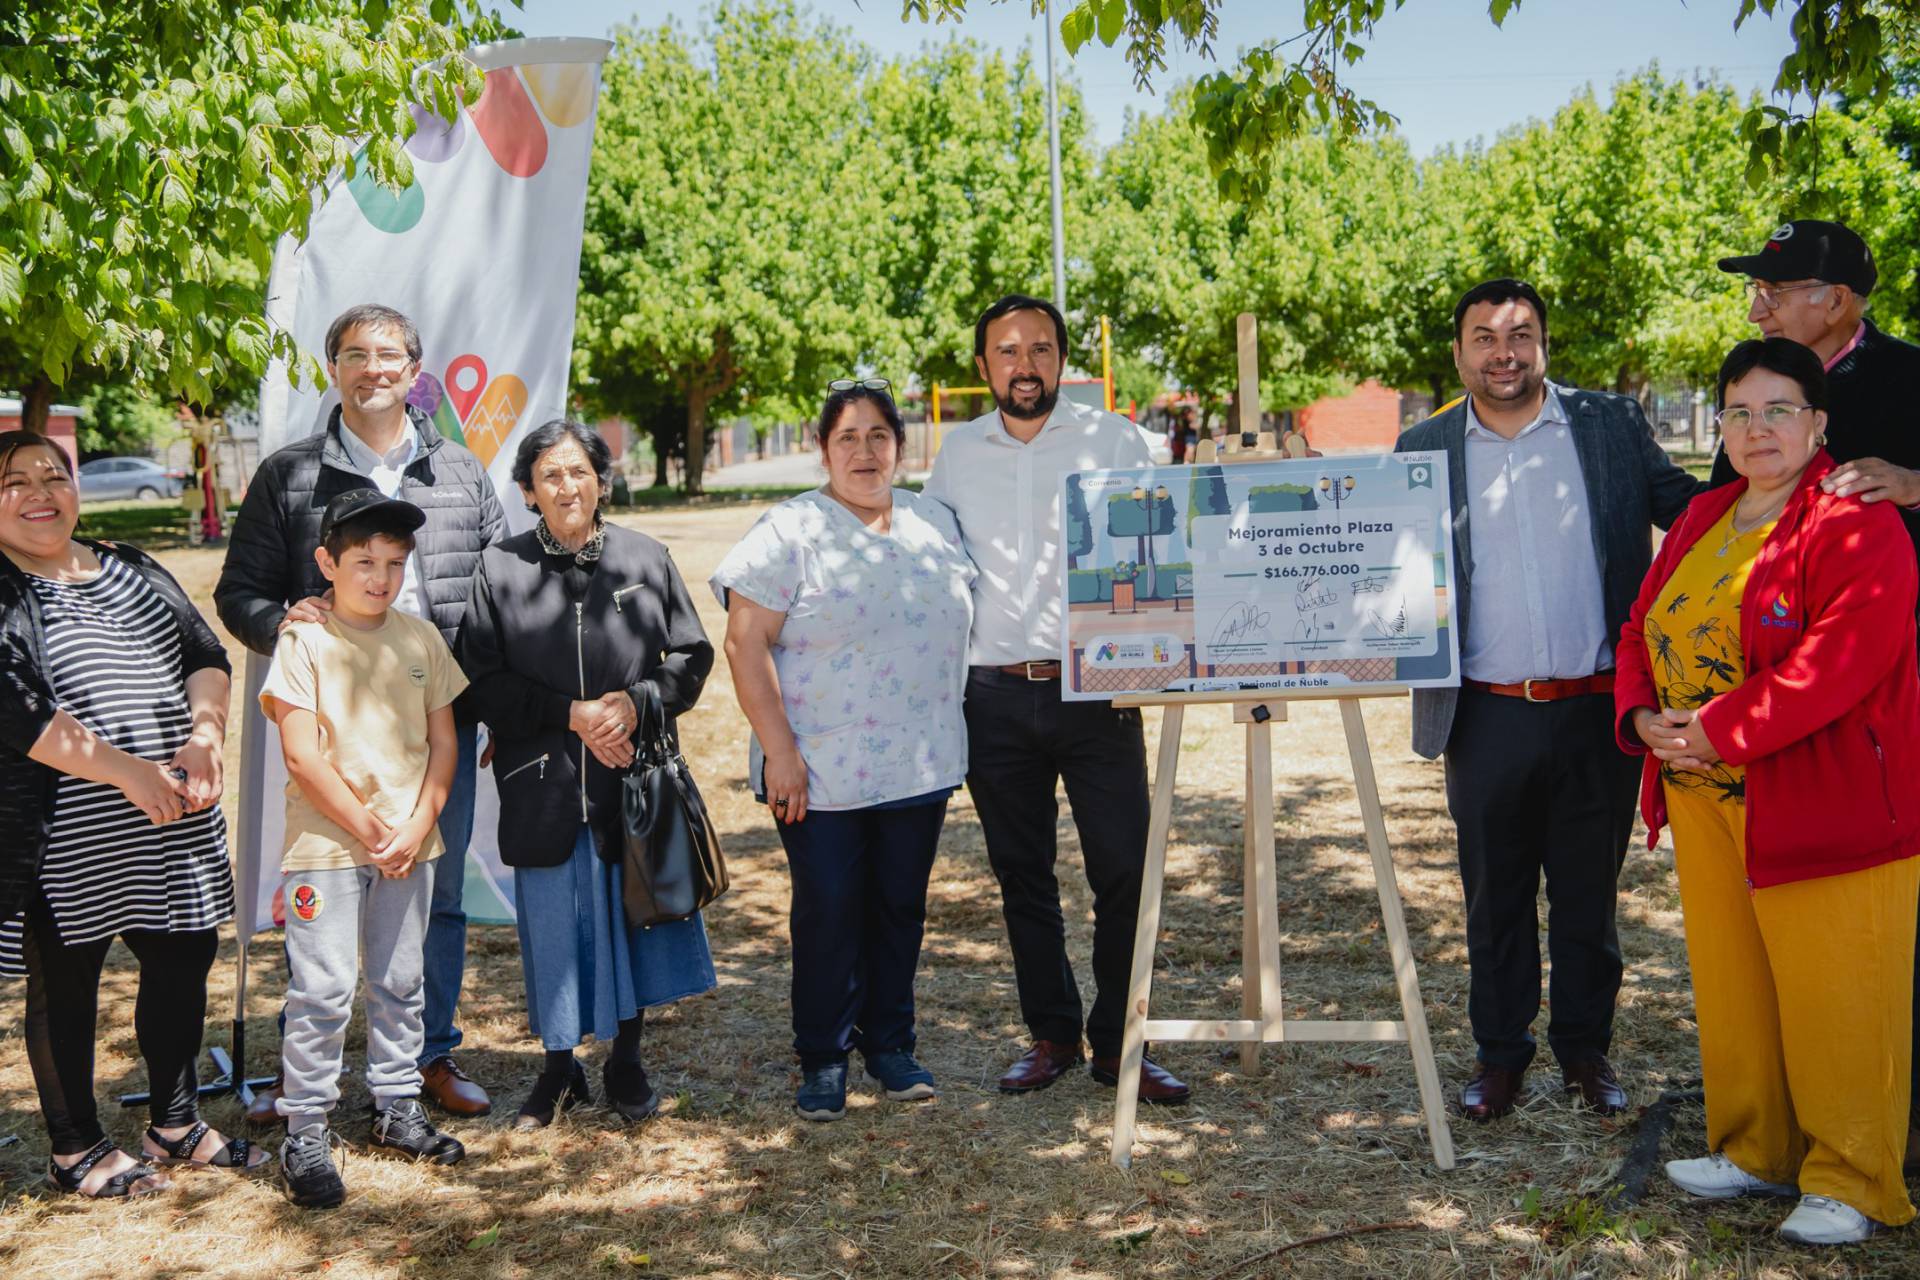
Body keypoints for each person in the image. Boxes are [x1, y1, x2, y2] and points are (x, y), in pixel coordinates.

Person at [1617, 338, 1920, 1245]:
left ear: (1820, 423)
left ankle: (1854, 1178)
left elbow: (1841, 663)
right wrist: (1641, 720)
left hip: (1828, 800)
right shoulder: (1709, 512)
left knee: (1841, 989)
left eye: (1780, 409)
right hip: (1707, 798)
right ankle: (1754, 1148)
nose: (1759, 429)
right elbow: (1642, 626)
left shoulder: (1855, 520)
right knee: (1736, 983)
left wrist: (1713, 727)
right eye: (1741, 412)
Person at [1395, 279, 1699, 1122]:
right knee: (1493, 898)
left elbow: (1694, 512)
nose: (1504, 353)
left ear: (1544, 345)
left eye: (1521, 334)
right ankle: (1500, 1055)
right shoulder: (1420, 449)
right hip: (1483, 712)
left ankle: (1584, 1048)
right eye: (1485, 338)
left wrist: (1800, 499)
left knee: (1587, 896)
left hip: (1598, 705)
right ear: (1457, 354)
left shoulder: (1608, 425)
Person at [215, 303, 503, 1121]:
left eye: (390, 355)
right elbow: (238, 592)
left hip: (436, 721)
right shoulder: (288, 476)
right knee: (329, 894)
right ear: (332, 368)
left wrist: (501, 706)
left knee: (433, 894)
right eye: (354, 355)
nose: (373, 368)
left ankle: (426, 1061)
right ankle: (302, 1075)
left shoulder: (460, 472)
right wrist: (281, 623)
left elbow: (495, 600)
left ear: (416, 371)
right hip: (330, 732)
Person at [922, 293, 1191, 1104]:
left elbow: (1168, 551)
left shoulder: (1118, 440)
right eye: (1007, 352)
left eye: (1040, 349)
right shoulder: (956, 454)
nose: (1025, 365)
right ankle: (1051, 1035)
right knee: (1021, 874)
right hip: (995, 696)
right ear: (983, 367)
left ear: (1063, 360)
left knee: (1124, 869)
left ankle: (1119, 1042)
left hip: (1098, 694)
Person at [0, 430, 260, 1198]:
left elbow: (204, 653)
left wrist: (204, 738)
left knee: (184, 963)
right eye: (15, 481)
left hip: (174, 815)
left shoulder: (131, 564)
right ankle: (75, 1146)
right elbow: (16, 712)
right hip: (64, 833)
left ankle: (175, 1121)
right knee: (68, 987)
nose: (41, 492)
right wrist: (127, 774)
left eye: (55, 474)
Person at [1712, 220, 1920, 1162]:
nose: (1759, 302)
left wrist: (1917, 482)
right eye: (1755, 287)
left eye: (1777, 286)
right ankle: (1797, 1124)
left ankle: (1890, 1125)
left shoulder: (1912, 377)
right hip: (1787, 708)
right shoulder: (1761, 390)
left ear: (1836, 300)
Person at [713, 380, 975, 1120]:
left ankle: (890, 1043)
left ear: (900, 444)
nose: (864, 451)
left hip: (918, 762)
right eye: (847, 437)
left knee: (900, 908)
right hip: (818, 771)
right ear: (823, 449)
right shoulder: (790, 529)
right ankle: (823, 1055)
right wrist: (780, 753)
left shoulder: (934, 521)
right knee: (829, 910)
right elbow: (744, 642)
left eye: (878, 436)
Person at [458, 421, 716, 1130]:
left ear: (601, 479)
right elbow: (482, 680)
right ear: (527, 492)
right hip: (541, 782)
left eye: (579, 472)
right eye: (550, 476)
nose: (566, 486)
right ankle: (557, 1067)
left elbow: (691, 658)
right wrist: (569, 715)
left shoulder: (646, 558)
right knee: (552, 930)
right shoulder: (499, 569)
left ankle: (626, 1061)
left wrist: (633, 706)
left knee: (629, 920)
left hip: (628, 782)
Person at [259, 490, 469, 1207]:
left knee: (400, 981)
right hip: (328, 848)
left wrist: (416, 826)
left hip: (411, 846)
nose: (379, 578)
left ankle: (396, 1106)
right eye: (363, 562)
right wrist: (372, 829)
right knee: (321, 991)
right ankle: (307, 1127)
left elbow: (446, 744)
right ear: (326, 562)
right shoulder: (304, 641)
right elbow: (302, 756)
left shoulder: (420, 639)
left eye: (393, 563)